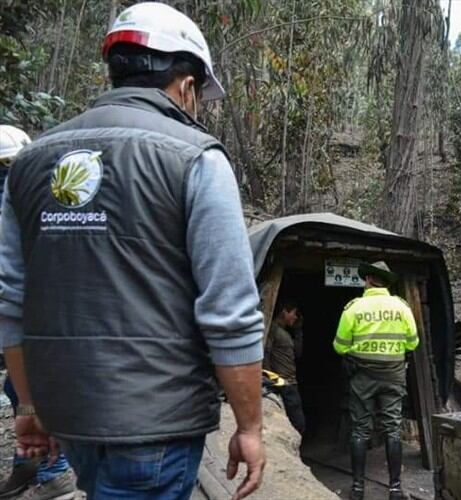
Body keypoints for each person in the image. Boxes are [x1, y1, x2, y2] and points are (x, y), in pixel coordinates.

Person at [0, 3, 266, 498]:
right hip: (155, 424)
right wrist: (250, 428)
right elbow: (229, 311)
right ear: (187, 86)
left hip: (69, 414)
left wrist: (31, 408)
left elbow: (11, 301)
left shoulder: (31, 161)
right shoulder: (195, 158)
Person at [0, 125, 77, 500]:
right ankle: (29, 464)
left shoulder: (31, 203)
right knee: (19, 389)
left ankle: (54, 471)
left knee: (28, 390)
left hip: (36, 319)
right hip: (26, 316)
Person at [333, 261, 418, 500]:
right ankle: (395, 489)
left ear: (368, 279)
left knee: (360, 430)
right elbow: (413, 342)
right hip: (393, 375)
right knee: (392, 429)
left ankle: (358, 489)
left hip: (363, 376)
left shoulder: (354, 308)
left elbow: (339, 346)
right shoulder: (402, 307)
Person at [264, 300, 306, 434]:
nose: (295, 317)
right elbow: (266, 353)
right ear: (284, 312)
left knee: (298, 422)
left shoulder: (285, 333)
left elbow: (297, 353)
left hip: (290, 382)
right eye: (293, 313)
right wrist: (271, 380)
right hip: (283, 383)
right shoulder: (273, 331)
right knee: (298, 423)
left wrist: (298, 331)